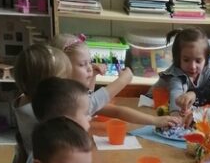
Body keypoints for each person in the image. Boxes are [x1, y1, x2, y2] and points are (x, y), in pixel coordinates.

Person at [50, 31, 180, 130]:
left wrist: (155, 121)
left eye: (90, 62)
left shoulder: (73, 93)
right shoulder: (66, 100)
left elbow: (117, 111)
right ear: (64, 70)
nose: (90, 67)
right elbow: (93, 102)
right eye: (82, 64)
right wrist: (123, 80)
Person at [12, 43, 72, 163]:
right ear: (45, 86)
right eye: (64, 80)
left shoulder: (25, 98)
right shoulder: (45, 112)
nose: (67, 85)